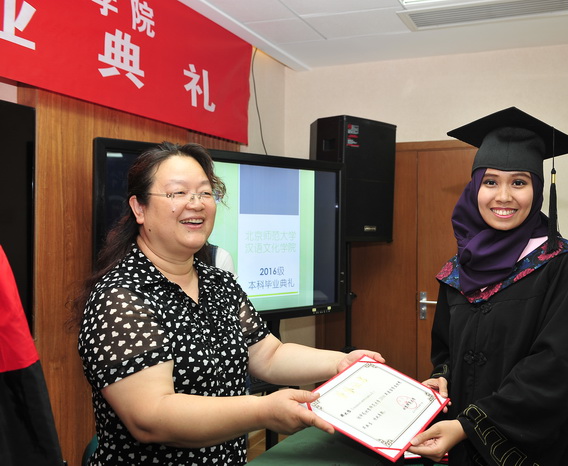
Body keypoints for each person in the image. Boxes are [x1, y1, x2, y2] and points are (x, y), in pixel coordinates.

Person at [73, 141, 383, 465]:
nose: (196, 204)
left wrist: (341, 363)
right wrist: (263, 410)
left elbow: (268, 354)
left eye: (206, 193)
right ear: (139, 208)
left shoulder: (218, 281)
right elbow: (151, 417)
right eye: (178, 193)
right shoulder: (120, 296)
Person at [409, 107, 568, 465]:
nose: (503, 196)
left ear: (537, 190)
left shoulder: (566, 265)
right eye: (490, 182)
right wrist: (441, 378)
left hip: (535, 450)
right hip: (463, 443)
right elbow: (447, 351)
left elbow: (557, 369)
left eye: (518, 182)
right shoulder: (457, 269)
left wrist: (468, 425)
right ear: (474, 188)